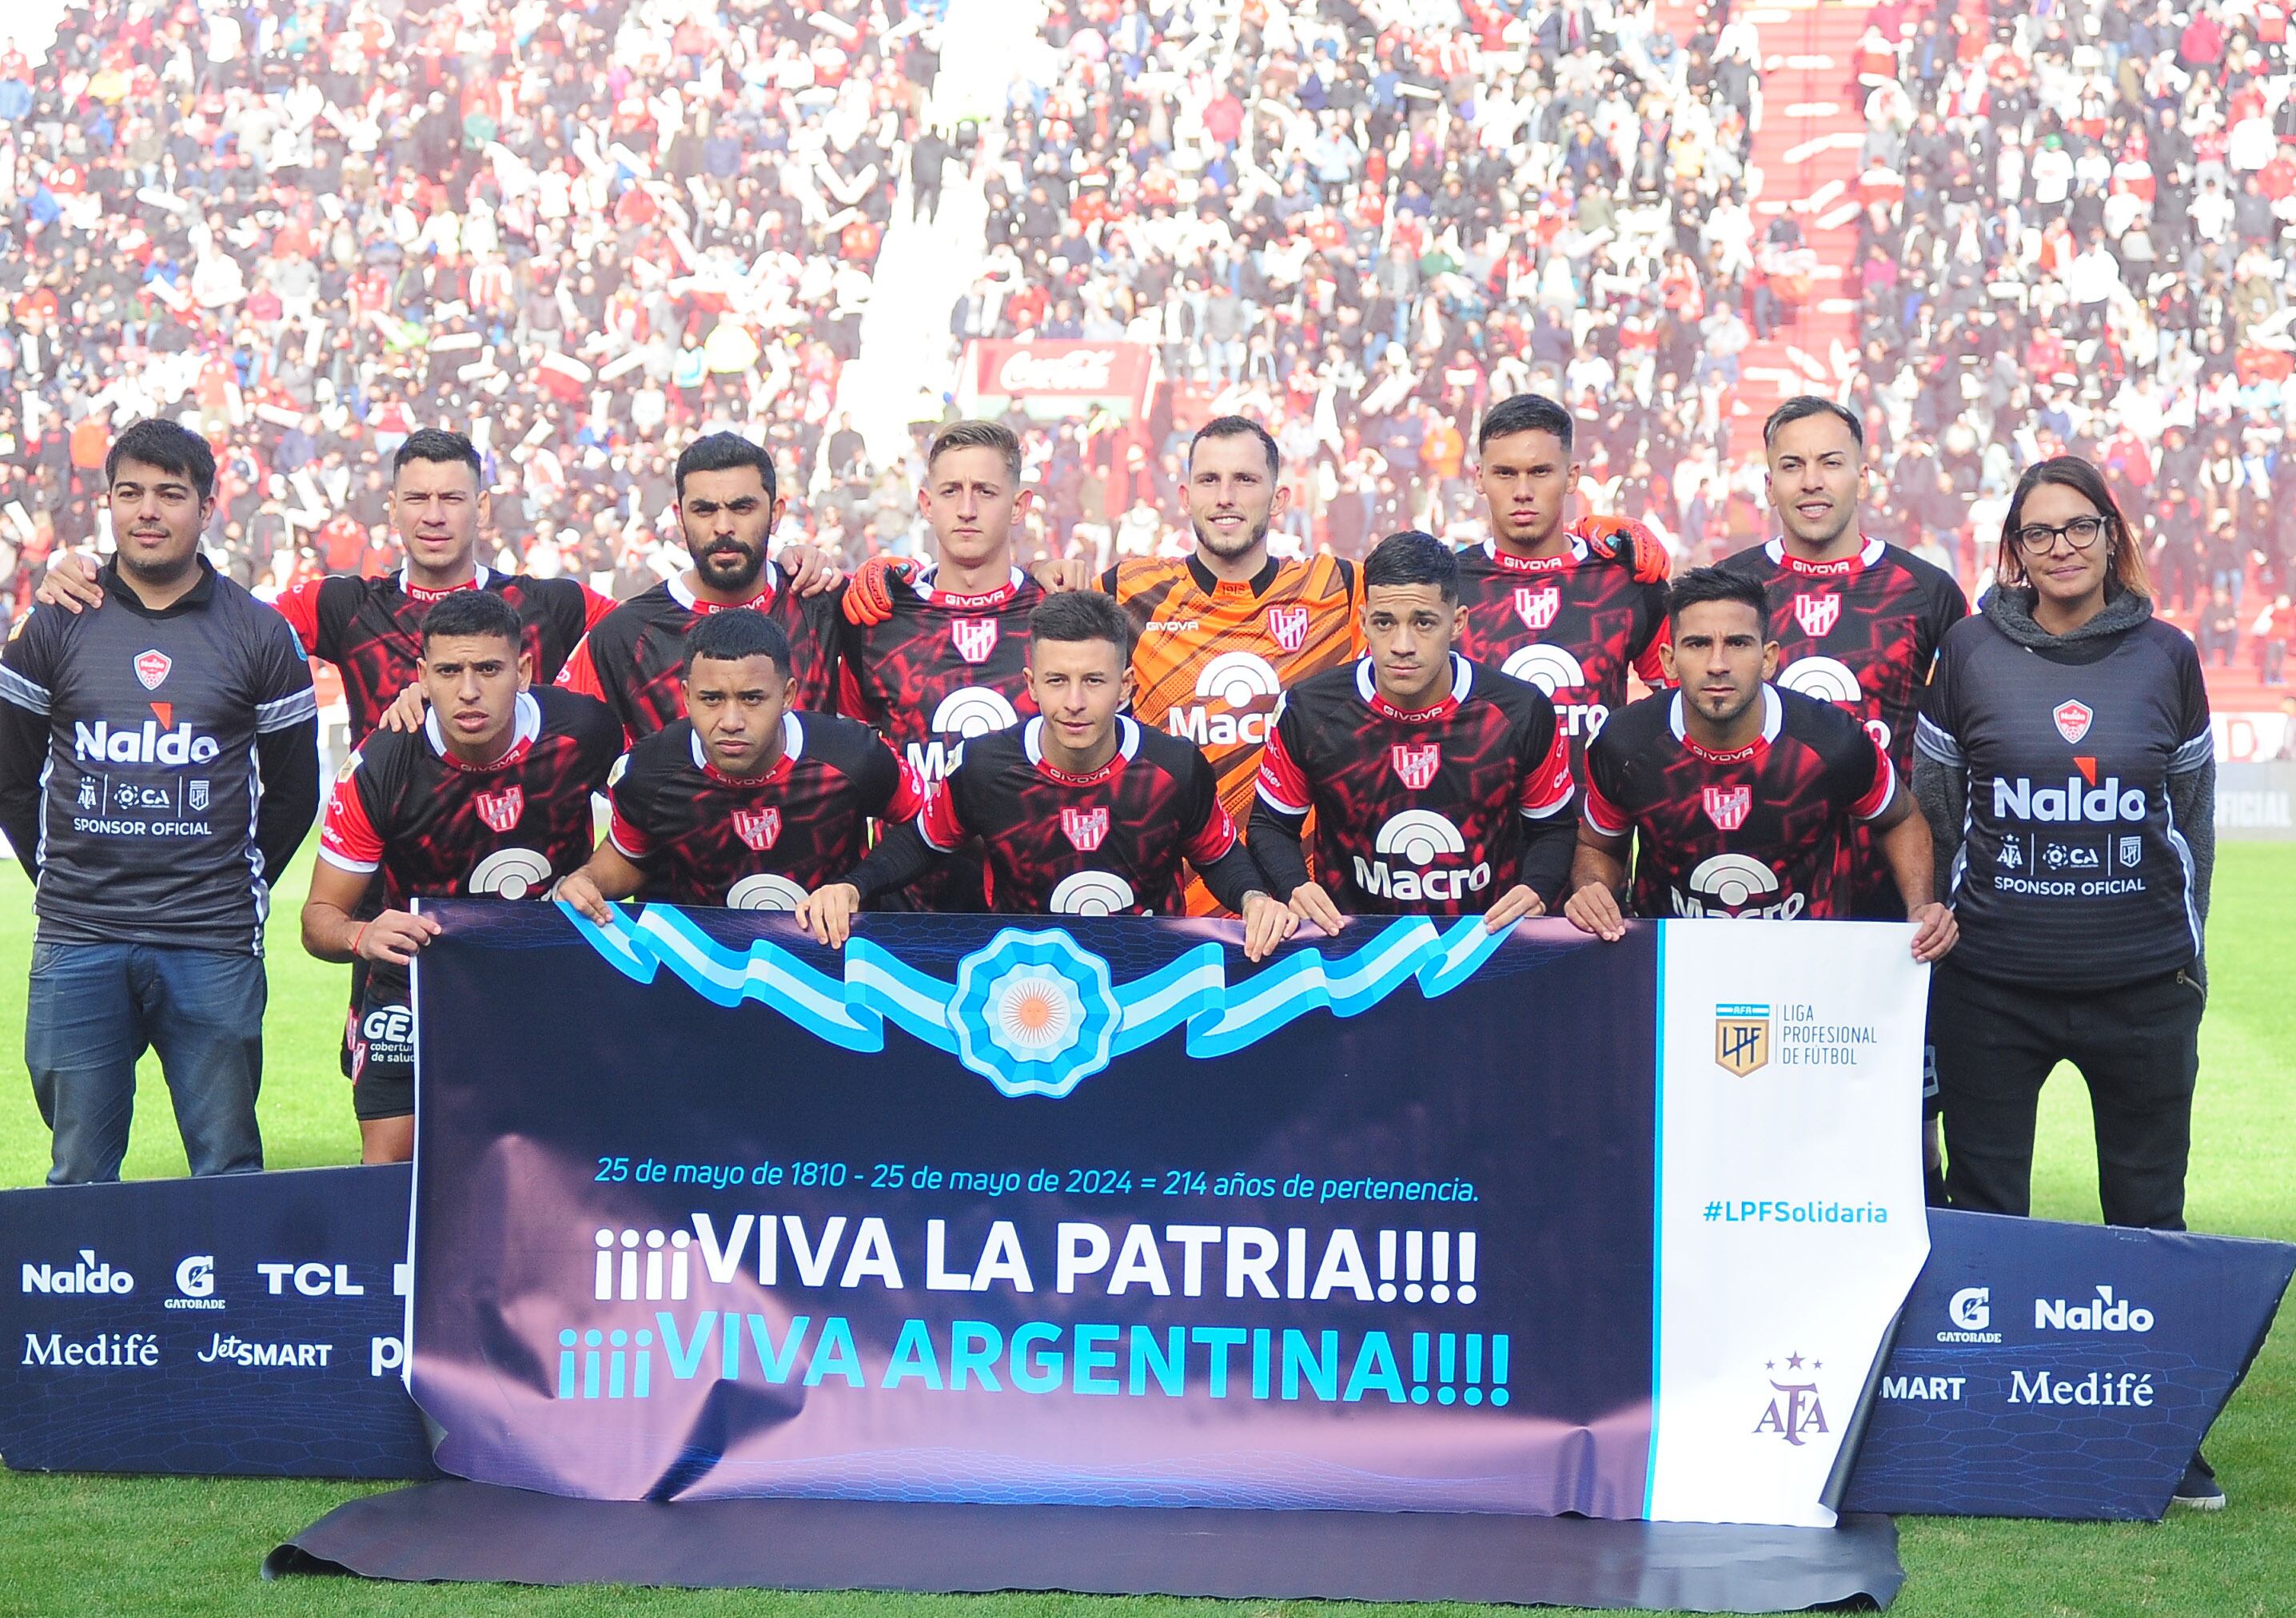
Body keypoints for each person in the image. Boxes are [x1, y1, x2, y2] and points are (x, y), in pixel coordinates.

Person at [1910, 455, 2218, 1505]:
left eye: (2079, 527)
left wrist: (2187, 954)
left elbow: (2192, 825)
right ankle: (1995, 1421)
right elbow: (1939, 807)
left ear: (2111, 534)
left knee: (2149, 1213)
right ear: (2015, 549)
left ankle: (2167, 1434)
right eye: (2039, 533)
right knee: (1991, 1212)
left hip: (2141, 985)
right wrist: (1957, 920)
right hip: (1995, 983)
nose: (2062, 548)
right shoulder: (1968, 653)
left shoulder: (2168, 657)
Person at [0, 419, 320, 1183]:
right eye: (131, 492)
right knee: (77, 1172)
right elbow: (12, 778)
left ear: (206, 508)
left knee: (227, 1166)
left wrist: (224, 883)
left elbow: (295, 795)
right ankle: (82, 1307)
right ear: (107, 502)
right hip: (80, 940)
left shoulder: (260, 633)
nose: (149, 510)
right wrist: (60, 881)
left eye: (171, 494)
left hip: (210, 943)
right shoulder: (53, 624)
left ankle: (233, 1305)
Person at [1720, 396, 1968, 1200]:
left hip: (1887, 911)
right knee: (1754, 1127)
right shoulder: (1730, 589)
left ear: (1864, 470)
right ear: (1769, 479)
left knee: (1899, 1134)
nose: (1811, 481)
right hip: (1756, 912)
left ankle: (1919, 1314)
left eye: (1830, 461)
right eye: (1791, 464)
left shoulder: (1927, 592)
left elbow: (1953, 748)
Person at [301, 592, 622, 1163]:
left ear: (522, 671)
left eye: (488, 669)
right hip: (413, 989)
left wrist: (594, 873)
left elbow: (648, 834)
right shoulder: (382, 765)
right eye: (449, 671)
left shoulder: (585, 731)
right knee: (391, 1168)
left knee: (558, 1167)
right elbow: (318, 918)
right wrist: (362, 936)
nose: (468, 690)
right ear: (423, 676)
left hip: (548, 984)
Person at [34, 428, 613, 740]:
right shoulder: (346, 605)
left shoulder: (551, 604)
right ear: (392, 508)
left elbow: (672, 629)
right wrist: (103, 580)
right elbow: (212, 622)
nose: (433, 515)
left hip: (529, 883)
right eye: (416, 498)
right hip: (384, 891)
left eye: (452, 499)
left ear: (481, 509)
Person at [801, 592, 1292, 957]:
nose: (1074, 703)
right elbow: (922, 842)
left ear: (1124, 686)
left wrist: (1254, 899)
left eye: (1093, 681)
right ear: (1032, 684)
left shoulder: (1175, 767)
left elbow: (1220, 856)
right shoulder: (986, 767)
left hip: (1150, 978)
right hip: (1023, 990)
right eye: (1058, 681)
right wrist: (852, 887)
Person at [1561, 567, 1956, 961]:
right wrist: (1592, 887)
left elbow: (1900, 817)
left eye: (1737, 643)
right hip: (1672, 970)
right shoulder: (1626, 744)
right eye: (1698, 644)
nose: (1718, 664)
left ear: (1768, 658)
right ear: (1669, 659)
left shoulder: (1832, 741)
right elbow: (1599, 847)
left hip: (1808, 972)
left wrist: (1919, 906)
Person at [1250, 530, 1578, 928]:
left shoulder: (1520, 710)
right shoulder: (1311, 710)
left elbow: (1554, 828)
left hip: (1484, 954)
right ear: (1364, 622)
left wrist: (1537, 887)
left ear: (1457, 623)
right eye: (1385, 622)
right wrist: (1293, 885)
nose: (1402, 644)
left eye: (1423, 622)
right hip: (1354, 957)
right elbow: (1271, 825)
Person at [1100, 416, 1362, 913]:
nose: (1225, 496)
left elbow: (1435, 593)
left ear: (1280, 498)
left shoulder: (1340, 589)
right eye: (1209, 480)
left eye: (1245, 479)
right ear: (1185, 497)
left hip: (1312, 907)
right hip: (1179, 912)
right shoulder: (1128, 591)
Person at [556, 611, 922, 917]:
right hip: (707, 977)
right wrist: (589, 880)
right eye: (711, 699)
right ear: (686, 696)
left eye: (751, 698)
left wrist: (857, 886)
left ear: (788, 696)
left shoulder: (854, 756)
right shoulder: (650, 771)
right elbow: (628, 855)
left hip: (831, 972)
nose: (731, 721)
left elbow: (925, 826)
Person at [831, 420, 1052, 910]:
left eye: (986, 491)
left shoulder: (1056, 613)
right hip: (900, 916)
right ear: (927, 504)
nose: (967, 509)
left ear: (1019, 506)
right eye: (951, 491)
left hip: (1031, 914)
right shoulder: (876, 617)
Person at [556, 432, 844, 742]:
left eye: (742, 508)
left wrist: (882, 572)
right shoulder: (623, 636)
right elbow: (563, 750)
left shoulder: (819, 601)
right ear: (680, 518)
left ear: (775, 514)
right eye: (704, 510)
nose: (723, 526)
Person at [1453, 392, 1672, 780]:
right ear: (1480, 478)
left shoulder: (1624, 581)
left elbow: (1687, 702)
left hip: (1594, 836)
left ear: (1571, 477)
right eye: (1505, 473)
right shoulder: (1448, 585)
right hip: (1483, 836)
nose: (1522, 490)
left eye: (1540, 471)